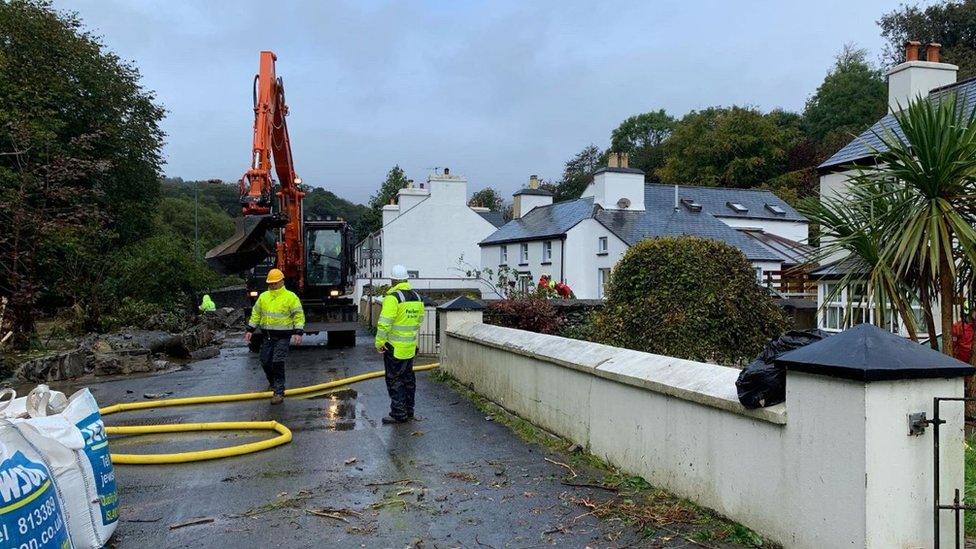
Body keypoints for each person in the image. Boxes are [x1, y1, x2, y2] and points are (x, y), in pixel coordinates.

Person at [244, 268, 305, 404]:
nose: (272, 285)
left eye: (275, 283)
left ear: (282, 281)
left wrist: (298, 332)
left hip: (283, 337)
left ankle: (279, 392)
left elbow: (298, 315)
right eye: (270, 283)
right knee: (265, 361)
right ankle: (273, 383)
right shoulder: (263, 297)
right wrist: (250, 330)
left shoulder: (290, 297)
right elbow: (256, 314)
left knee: (277, 361)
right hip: (268, 336)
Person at [375, 264, 424, 424]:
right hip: (410, 346)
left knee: (394, 380)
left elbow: (384, 323)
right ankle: (409, 411)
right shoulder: (417, 297)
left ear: (393, 280)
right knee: (408, 379)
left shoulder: (393, 298)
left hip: (394, 347)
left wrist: (379, 343)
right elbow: (418, 322)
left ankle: (398, 414)